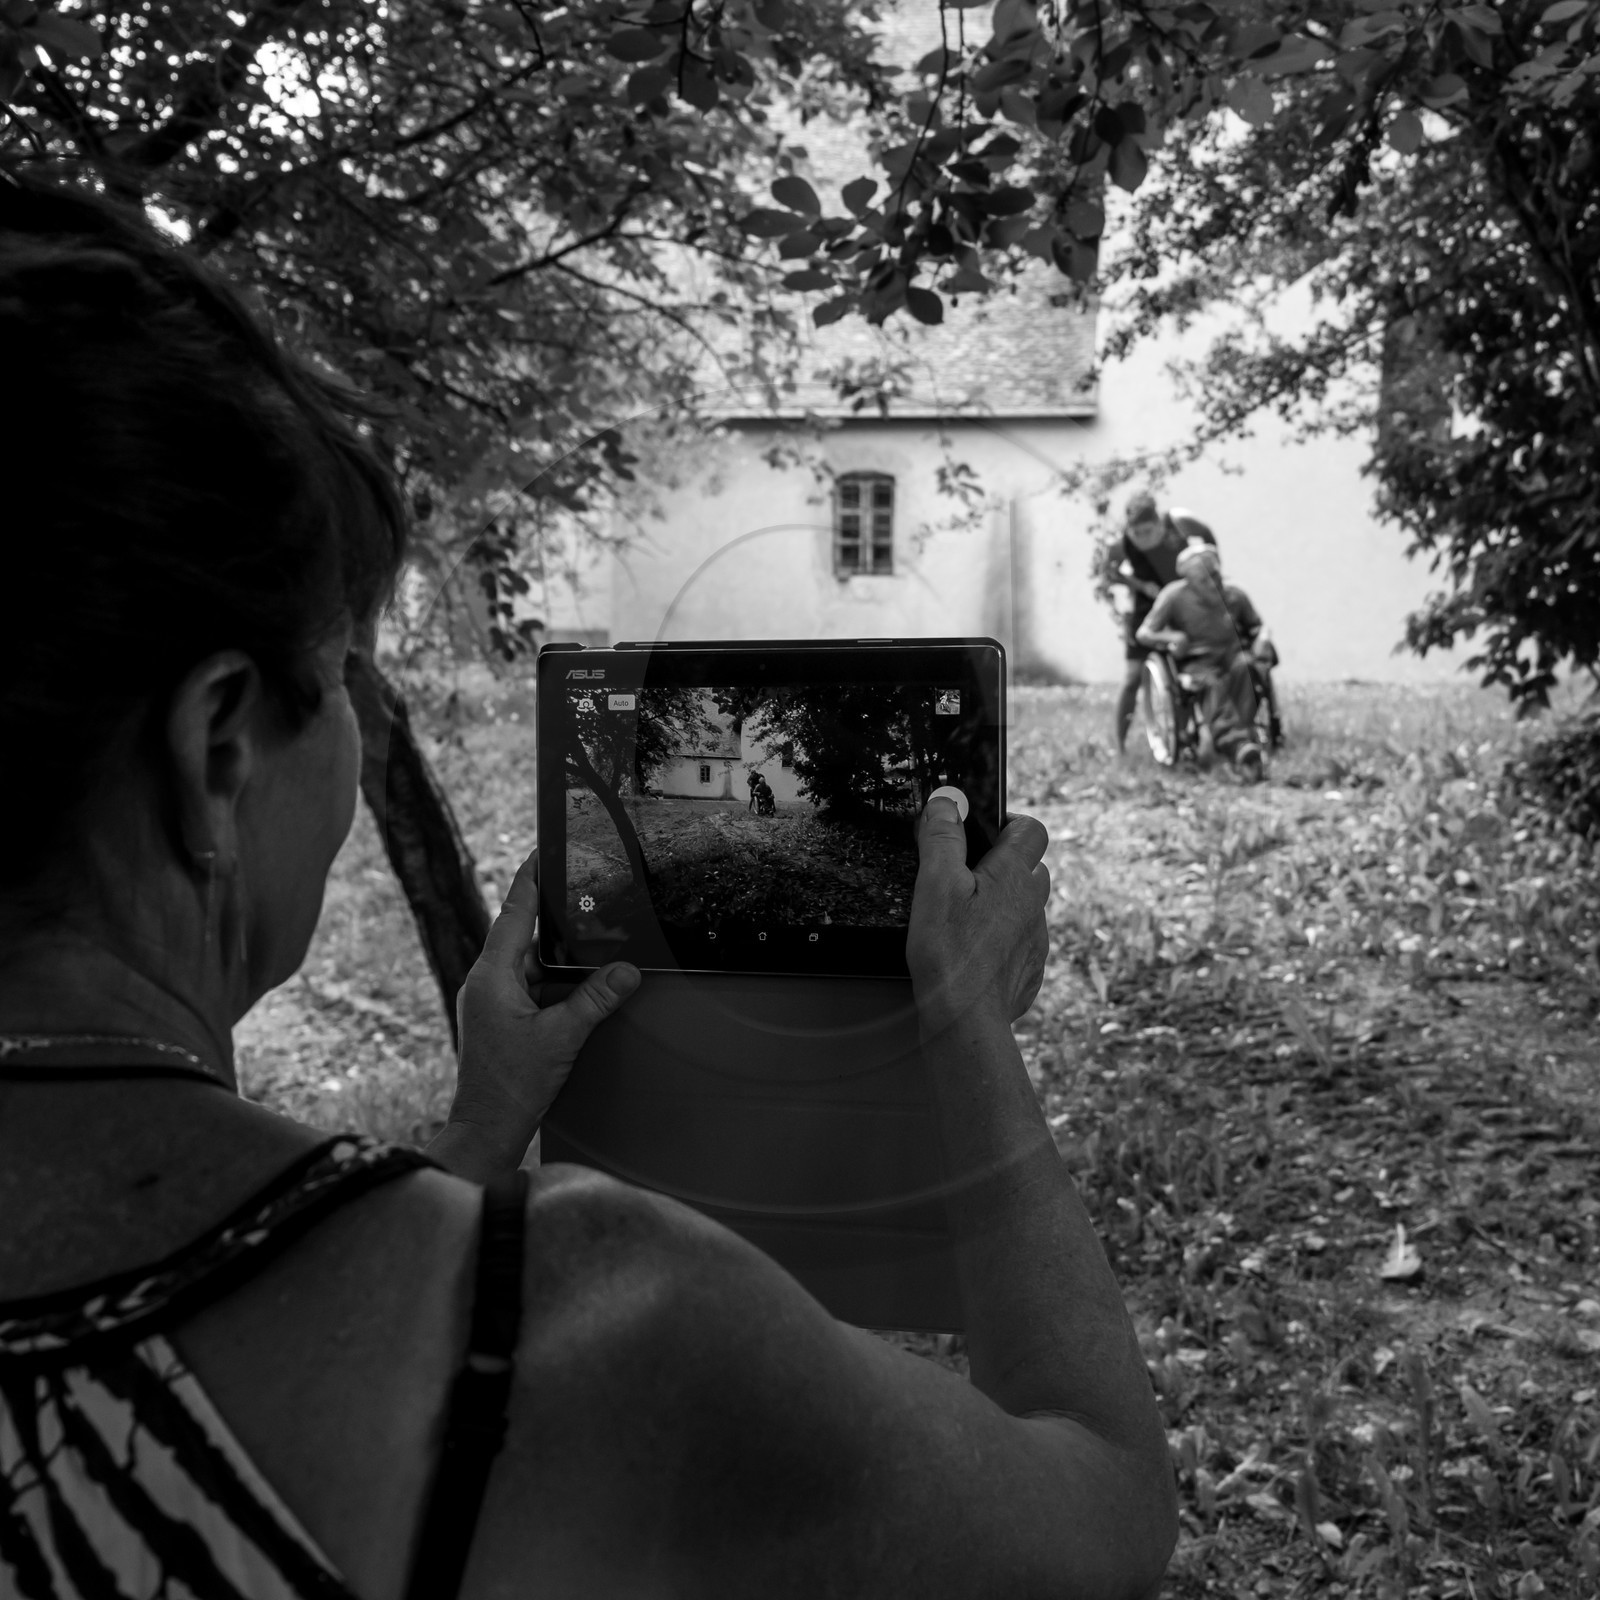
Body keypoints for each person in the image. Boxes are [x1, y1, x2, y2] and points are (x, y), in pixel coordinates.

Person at [0, 173, 1177, 1600]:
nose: (362, 736)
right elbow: (1097, 1522)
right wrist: (971, 1036)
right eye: (344, 683)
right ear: (224, 746)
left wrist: (486, 1124)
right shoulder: (590, 1325)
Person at [1137, 542, 1267, 781]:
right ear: (1189, 578)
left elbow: (1258, 626)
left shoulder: (1235, 595)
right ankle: (1236, 745)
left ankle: (1245, 739)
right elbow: (1144, 633)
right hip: (1198, 661)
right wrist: (1171, 636)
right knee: (1210, 683)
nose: (1212, 582)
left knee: (1246, 667)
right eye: (1203, 577)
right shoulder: (1174, 596)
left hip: (1232, 655)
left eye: (1214, 573)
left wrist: (1261, 639)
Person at [1109, 490, 1218, 754]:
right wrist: (1139, 585)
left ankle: (1188, 738)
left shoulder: (1180, 523)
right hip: (1149, 608)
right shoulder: (1123, 543)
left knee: (1188, 670)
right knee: (1132, 676)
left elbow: (1207, 536)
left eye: (1147, 532)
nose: (1142, 539)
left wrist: (1210, 571)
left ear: (1158, 523)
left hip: (1184, 605)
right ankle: (1118, 747)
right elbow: (1110, 571)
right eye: (1137, 534)